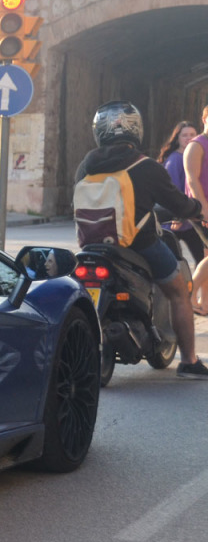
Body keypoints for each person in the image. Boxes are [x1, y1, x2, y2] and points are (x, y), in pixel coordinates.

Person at [75, 101, 207, 378]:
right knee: (179, 291)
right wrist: (197, 210)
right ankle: (189, 362)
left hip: (92, 246)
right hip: (139, 243)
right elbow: (178, 204)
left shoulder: (85, 166)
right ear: (136, 130)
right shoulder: (145, 166)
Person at [156, 121, 204, 270]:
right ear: (177, 138)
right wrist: (178, 216)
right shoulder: (174, 160)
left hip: (190, 220)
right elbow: (171, 194)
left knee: (202, 258)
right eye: (184, 135)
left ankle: (200, 293)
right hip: (173, 222)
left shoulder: (196, 156)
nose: (188, 138)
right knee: (171, 265)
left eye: (192, 135)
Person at [180, 107, 208, 315]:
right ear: (204, 119)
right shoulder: (196, 145)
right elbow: (192, 179)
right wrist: (204, 210)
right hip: (200, 208)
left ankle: (203, 302)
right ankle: (190, 295)